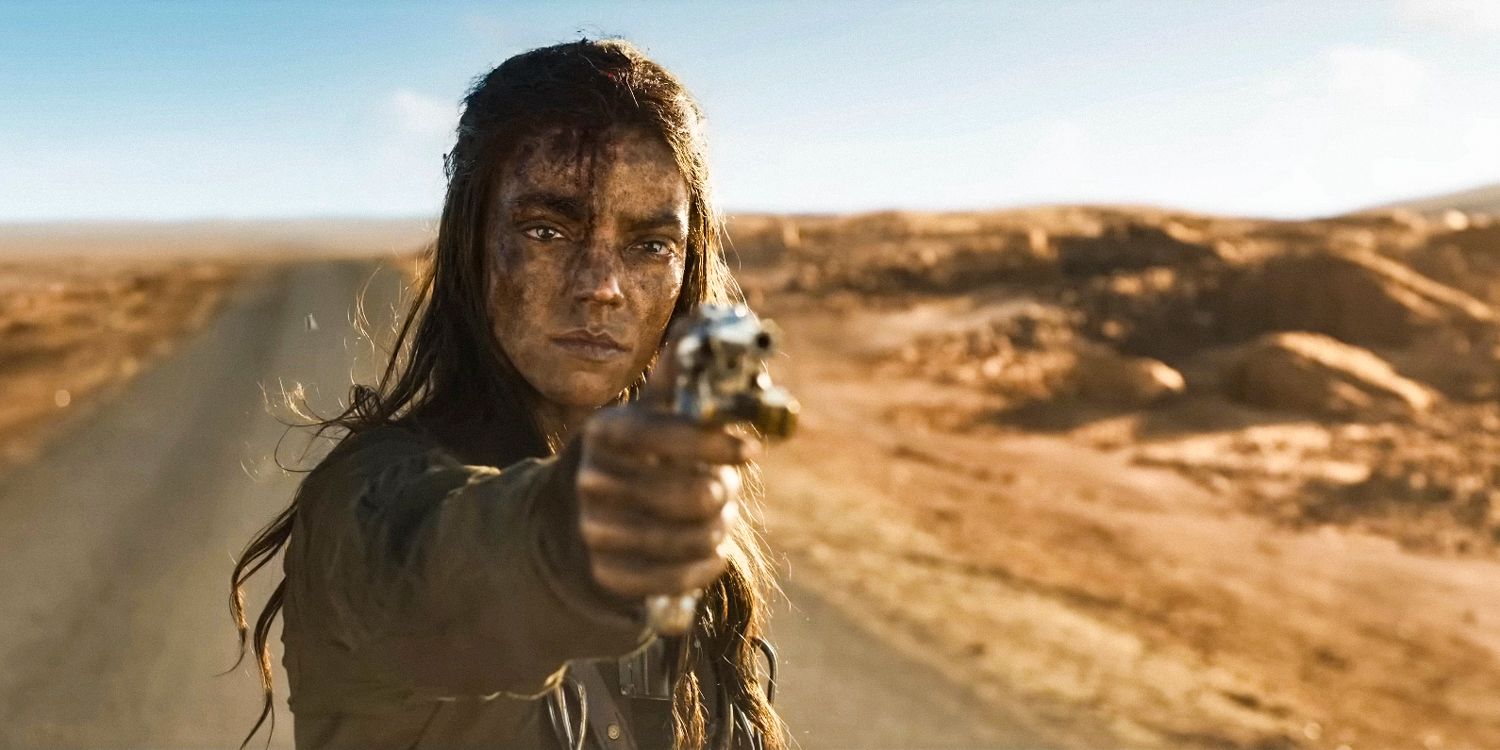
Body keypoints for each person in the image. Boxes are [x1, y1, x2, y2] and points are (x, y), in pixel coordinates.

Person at [229, 38, 784, 750]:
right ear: (472, 243)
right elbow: (457, 564)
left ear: (688, 265)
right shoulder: (364, 504)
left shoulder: (689, 516)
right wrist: (588, 534)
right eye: (547, 230)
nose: (601, 285)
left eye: (649, 245)